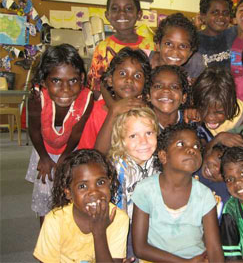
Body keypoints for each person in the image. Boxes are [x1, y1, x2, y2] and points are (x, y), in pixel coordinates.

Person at [131, 123, 224, 262]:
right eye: (181, 144)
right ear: (163, 156)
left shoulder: (204, 195)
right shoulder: (146, 190)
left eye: (196, 146)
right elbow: (140, 248)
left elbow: (214, 249)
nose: (192, 150)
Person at [25, 44, 94, 226]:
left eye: (73, 81)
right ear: (45, 80)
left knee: (71, 192)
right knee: (45, 195)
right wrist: (44, 157)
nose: (65, 89)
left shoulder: (87, 99)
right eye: (56, 81)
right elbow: (34, 130)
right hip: (43, 148)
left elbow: (76, 132)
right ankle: (45, 239)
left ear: (81, 78)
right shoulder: (36, 98)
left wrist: (65, 156)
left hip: (71, 149)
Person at [33, 149, 129, 262]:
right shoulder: (55, 221)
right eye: (82, 186)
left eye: (101, 182)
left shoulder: (118, 218)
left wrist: (99, 233)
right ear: (68, 192)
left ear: (110, 183)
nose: (94, 192)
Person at [87, 0, 154, 99]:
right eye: (115, 9)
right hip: (110, 108)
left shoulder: (151, 45)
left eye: (128, 9)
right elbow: (96, 87)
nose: (122, 13)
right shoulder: (102, 48)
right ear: (107, 15)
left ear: (139, 14)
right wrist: (114, 108)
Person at [109, 107, 159, 261]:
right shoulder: (119, 169)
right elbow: (118, 213)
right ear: (121, 141)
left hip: (155, 224)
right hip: (127, 227)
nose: (143, 141)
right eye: (133, 136)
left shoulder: (159, 161)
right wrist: (118, 250)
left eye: (149, 133)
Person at [78, 47, 150, 153]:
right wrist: (113, 112)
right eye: (122, 74)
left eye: (137, 75)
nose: (129, 80)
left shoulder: (146, 112)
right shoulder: (96, 111)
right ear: (110, 80)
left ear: (144, 84)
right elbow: (92, 154)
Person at [191, 66, 243, 143]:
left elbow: (242, 143)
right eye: (205, 110)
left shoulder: (239, 115)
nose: (210, 118)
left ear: (231, 104)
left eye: (219, 112)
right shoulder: (193, 113)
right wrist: (219, 138)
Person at [186, 0, 236, 71]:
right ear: (203, 16)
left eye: (225, 13)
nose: (221, 17)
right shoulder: (192, 41)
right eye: (215, 12)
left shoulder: (234, 36)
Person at [150, 13, 201, 81]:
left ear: (190, 52)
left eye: (183, 46)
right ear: (158, 45)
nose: (175, 51)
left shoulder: (191, 73)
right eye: (168, 44)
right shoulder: (141, 63)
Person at [144, 65, 190, 130]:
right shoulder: (141, 124)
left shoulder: (192, 123)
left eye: (174, 87)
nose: (166, 90)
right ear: (148, 95)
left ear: (183, 98)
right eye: (158, 86)